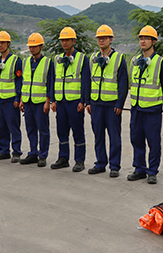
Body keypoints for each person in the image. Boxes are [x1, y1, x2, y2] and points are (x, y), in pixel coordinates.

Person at [128, 25, 163, 184]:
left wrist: (156, 99)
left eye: (146, 38)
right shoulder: (135, 61)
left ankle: (152, 171)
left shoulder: (160, 62)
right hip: (136, 108)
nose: (143, 41)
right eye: (141, 38)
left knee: (153, 141)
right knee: (136, 139)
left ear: (154, 41)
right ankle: (139, 169)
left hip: (152, 110)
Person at [86, 25, 128, 178]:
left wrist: (120, 104)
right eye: (99, 38)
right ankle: (100, 163)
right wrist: (88, 102)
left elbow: (123, 83)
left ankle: (115, 166)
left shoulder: (118, 58)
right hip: (96, 103)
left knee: (114, 136)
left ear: (111, 39)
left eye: (104, 38)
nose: (101, 40)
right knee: (98, 135)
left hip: (111, 105)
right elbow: (88, 81)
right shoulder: (93, 59)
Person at [51, 26, 91, 172]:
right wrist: (53, 101)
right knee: (61, 131)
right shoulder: (57, 59)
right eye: (62, 40)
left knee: (78, 131)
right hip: (61, 102)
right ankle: (63, 158)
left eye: (67, 40)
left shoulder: (82, 58)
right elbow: (54, 80)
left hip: (75, 103)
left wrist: (83, 101)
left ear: (74, 41)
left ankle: (80, 160)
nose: (65, 43)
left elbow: (86, 82)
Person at [19, 33, 55, 167]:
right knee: (30, 128)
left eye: (34, 46)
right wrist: (22, 99)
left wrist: (48, 101)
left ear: (41, 46)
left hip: (41, 103)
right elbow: (24, 82)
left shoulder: (47, 62)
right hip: (28, 102)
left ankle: (42, 155)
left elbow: (50, 83)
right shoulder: (25, 62)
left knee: (43, 130)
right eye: (30, 46)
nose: (32, 49)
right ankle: (33, 152)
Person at [0, 31, 23, 163]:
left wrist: (17, 98)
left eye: (3, 43)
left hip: (10, 100)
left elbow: (19, 81)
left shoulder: (16, 60)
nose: (0, 45)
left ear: (8, 44)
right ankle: (4, 150)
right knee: (1, 126)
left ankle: (16, 151)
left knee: (13, 126)